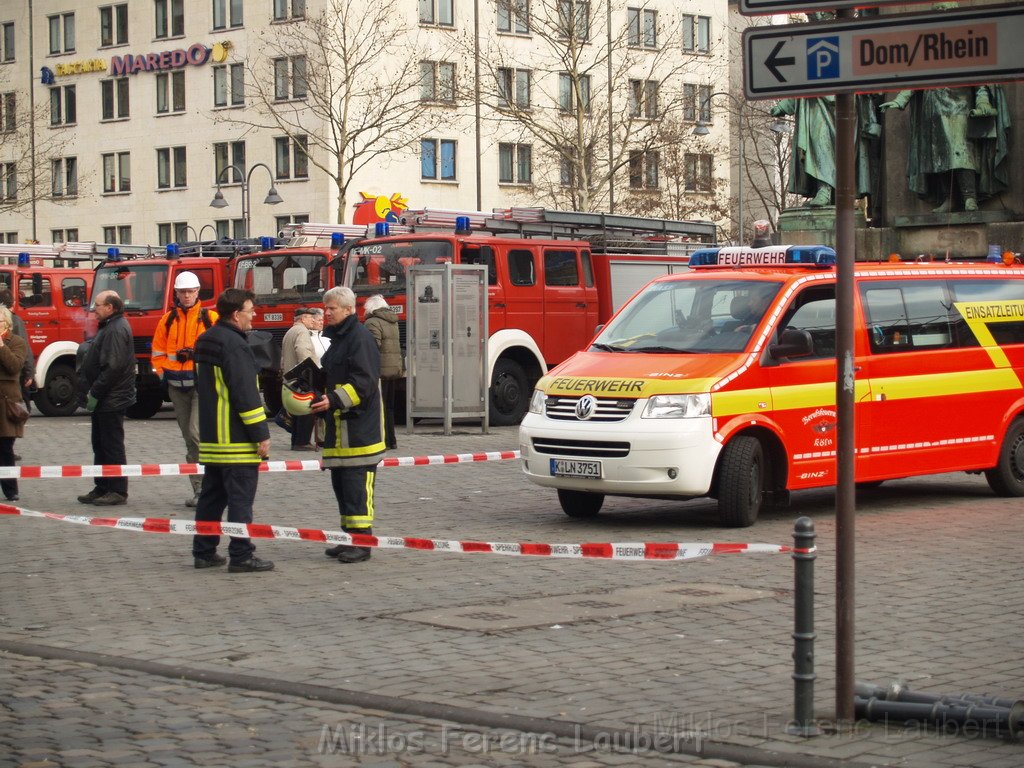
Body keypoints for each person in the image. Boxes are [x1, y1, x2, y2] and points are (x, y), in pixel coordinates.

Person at [191, 288, 273, 572]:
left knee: (211, 498)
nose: (254, 316)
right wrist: (261, 433)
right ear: (236, 315)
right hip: (236, 440)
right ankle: (241, 555)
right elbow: (245, 393)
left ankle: (203, 551)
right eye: (250, 311)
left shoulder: (204, 340)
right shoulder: (235, 345)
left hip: (212, 438)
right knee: (240, 501)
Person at [311, 286, 385, 564]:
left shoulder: (360, 338)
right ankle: (348, 538)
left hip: (358, 432)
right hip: (340, 432)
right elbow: (332, 375)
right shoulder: (340, 339)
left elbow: (364, 384)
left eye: (332, 308)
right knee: (342, 487)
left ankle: (362, 543)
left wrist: (333, 400)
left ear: (349, 309)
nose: (326, 312)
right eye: (325, 307)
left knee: (357, 489)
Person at [879, 83, 1010, 213]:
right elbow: (919, 76)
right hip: (933, 110)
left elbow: (978, 76)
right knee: (939, 157)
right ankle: (950, 198)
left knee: (962, 152)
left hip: (960, 105)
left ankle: (969, 196)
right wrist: (900, 99)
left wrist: (982, 100)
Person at [150, 271, 218, 507]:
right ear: (176, 293)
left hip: (201, 387)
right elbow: (157, 352)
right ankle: (199, 490)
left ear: (198, 292)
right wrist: (161, 374)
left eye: (191, 291)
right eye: (183, 292)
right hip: (176, 387)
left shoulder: (211, 318)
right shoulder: (167, 320)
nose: (187, 295)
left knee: (197, 434)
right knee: (189, 440)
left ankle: (212, 486)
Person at [76, 290, 135, 506]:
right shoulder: (110, 326)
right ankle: (102, 486)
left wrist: (95, 392)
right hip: (105, 399)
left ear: (110, 307)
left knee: (112, 446)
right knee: (100, 445)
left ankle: (117, 490)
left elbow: (113, 367)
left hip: (112, 399)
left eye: (98, 305)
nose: (94, 309)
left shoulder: (117, 329)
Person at [362, 294, 403, 450]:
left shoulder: (372, 322)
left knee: (378, 407)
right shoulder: (392, 321)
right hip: (393, 368)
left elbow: (372, 346)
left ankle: (381, 439)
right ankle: (391, 440)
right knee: (389, 407)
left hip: (379, 370)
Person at [280, 307, 322, 451]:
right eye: (311, 318)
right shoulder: (302, 331)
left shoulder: (290, 331)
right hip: (302, 378)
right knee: (307, 409)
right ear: (303, 319)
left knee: (297, 411)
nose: (313, 320)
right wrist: (311, 371)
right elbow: (302, 351)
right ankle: (302, 441)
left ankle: (296, 440)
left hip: (291, 379)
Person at [0, 305, 28, 501]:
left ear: (7, 324)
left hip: (6, 403)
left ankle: (11, 489)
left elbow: (14, 366)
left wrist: (1, 346)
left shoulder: (16, 342)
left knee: (5, 448)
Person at [0, 288, 36, 410]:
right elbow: (26, 348)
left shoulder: (13, 320)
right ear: (13, 303)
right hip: (13, 377)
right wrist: (29, 372)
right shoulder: (16, 320)